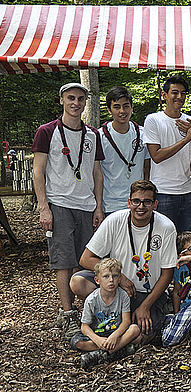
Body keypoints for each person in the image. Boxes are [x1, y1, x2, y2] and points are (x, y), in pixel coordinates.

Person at [32, 82, 105, 339]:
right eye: (71, 98)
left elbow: (97, 173)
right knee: (63, 261)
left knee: (86, 261)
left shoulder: (92, 135)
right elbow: (38, 172)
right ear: (62, 100)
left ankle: (87, 311)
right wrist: (44, 207)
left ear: (86, 103)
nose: (76, 103)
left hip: (86, 205)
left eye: (81, 99)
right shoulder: (47, 131)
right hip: (60, 203)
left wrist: (99, 206)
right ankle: (67, 313)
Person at [70, 180, 177, 343]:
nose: (141, 206)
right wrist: (119, 278)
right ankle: (102, 320)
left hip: (146, 293)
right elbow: (86, 259)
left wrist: (145, 306)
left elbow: (167, 273)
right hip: (116, 289)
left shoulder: (166, 227)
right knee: (78, 281)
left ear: (155, 204)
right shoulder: (114, 221)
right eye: (136, 201)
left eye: (147, 202)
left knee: (144, 333)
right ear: (129, 202)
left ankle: (102, 345)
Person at [143, 75, 191, 233]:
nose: (179, 97)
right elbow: (156, 156)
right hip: (163, 192)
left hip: (188, 192)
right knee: (163, 239)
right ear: (164, 95)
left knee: (188, 240)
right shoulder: (153, 120)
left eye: (183, 93)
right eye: (175, 92)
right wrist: (186, 139)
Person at [71, 258, 140, 370]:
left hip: (115, 334)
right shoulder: (91, 300)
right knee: (77, 342)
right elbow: (84, 327)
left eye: (115, 276)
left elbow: (126, 321)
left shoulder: (123, 296)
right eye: (106, 276)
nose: (111, 280)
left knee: (135, 329)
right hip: (98, 336)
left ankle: (103, 354)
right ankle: (117, 350)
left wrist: (114, 336)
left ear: (120, 278)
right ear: (97, 280)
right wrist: (97, 339)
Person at [99, 86, 149, 215]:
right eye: (116, 107)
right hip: (110, 204)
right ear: (109, 110)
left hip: (138, 204)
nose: (122, 111)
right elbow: (96, 174)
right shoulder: (100, 136)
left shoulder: (143, 134)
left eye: (126, 106)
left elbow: (147, 167)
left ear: (132, 107)